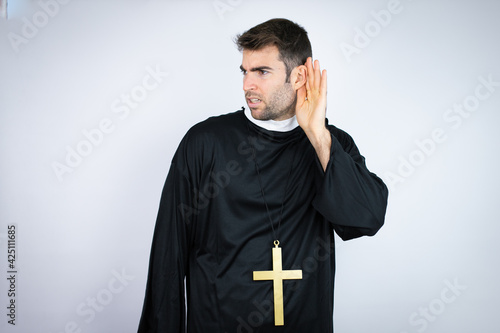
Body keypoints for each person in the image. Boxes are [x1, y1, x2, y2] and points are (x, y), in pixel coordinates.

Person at [138, 18, 388, 333]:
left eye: (262, 72)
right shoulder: (205, 142)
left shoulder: (330, 144)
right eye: (245, 71)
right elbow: (168, 256)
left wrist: (318, 135)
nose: (247, 85)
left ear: (298, 76)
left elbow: (365, 219)